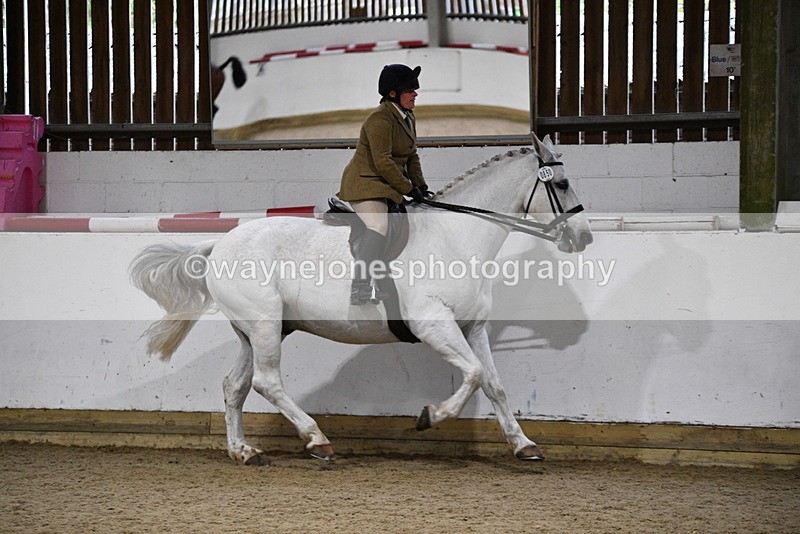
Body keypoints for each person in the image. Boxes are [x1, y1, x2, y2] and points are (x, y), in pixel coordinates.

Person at [337, 63, 433, 305]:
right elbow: (383, 162)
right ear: (393, 93)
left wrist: (421, 187)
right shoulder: (380, 119)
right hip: (365, 184)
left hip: (386, 185)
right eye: (410, 90)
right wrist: (408, 189)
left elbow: (411, 155)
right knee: (379, 225)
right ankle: (360, 286)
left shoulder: (408, 117)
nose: (415, 94)